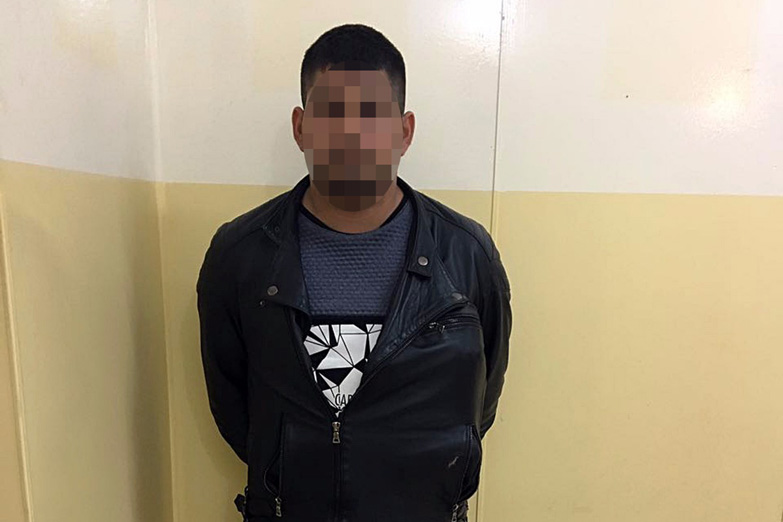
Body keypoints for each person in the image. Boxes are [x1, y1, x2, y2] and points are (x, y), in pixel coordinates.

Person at [197, 23, 512, 522]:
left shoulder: (466, 255)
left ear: (404, 131)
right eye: (331, 112)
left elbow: (477, 403)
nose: (350, 133)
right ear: (301, 127)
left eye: (371, 113)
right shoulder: (239, 255)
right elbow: (236, 410)